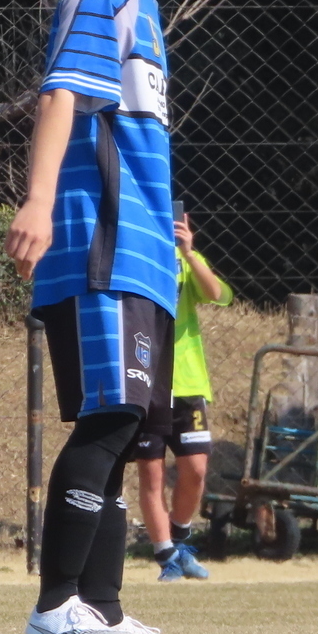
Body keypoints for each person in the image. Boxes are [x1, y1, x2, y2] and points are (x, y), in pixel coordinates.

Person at [5, 0, 239, 634]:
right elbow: (63, 92)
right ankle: (55, 606)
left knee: (135, 423)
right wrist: (38, 200)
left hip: (140, 250)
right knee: (108, 417)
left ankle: (98, 609)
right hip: (98, 240)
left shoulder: (146, 4)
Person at [136, 209, 233, 581]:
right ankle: (166, 558)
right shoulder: (134, 257)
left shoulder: (184, 259)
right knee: (152, 472)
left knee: (195, 469)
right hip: (144, 381)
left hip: (188, 383)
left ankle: (179, 537)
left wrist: (190, 252)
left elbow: (218, 294)